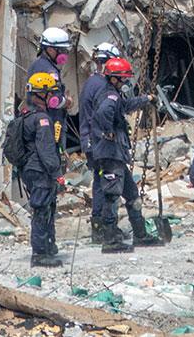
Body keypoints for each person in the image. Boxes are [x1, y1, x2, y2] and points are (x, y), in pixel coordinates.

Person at [89, 56, 154, 251]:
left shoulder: (113, 94)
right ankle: (110, 240)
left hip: (116, 155)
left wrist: (146, 100)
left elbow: (126, 106)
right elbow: (103, 113)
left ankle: (141, 234)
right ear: (114, 78)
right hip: (110, 155)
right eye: (123, 78)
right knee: (111, 196)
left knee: (132, 195)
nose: (126, 82)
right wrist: (108, 130)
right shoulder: (110, 97)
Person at [20, 71, 66, 268]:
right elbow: (46, 150)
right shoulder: (42, 120)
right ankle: (39, 253)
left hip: (31, 169)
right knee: (41, 210)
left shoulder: (25, 114)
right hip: (40, 171)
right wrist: (58, 175)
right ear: (41, 95)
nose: (52, 98)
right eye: (49, 94)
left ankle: (48, 246)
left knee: (46, 207)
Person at [78, 41, 120, 244]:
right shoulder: (101, 85)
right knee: (105, 183)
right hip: (97, 142)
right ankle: (103, 228)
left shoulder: (92, 82)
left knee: (102, 181)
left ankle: (102, 227)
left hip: (91, 140)